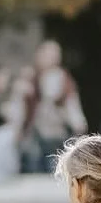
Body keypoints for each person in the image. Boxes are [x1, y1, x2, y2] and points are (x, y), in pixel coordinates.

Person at [24, 40, 87, 173]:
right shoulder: (36, 76)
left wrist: (78, 123)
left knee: (52, 168)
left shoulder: (57, 77)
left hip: (54, 131)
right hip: (39, 132)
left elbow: (69, 101)